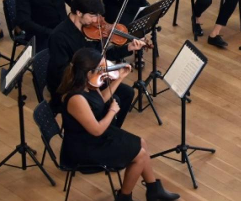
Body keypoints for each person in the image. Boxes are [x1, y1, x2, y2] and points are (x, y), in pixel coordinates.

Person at [59, 48, 180, 201]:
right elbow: (96, 130)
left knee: (141, 142)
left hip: (96, 136)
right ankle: (124, 197)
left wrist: (120, 77)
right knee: (140, 155)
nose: (104, 72)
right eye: (100, 69)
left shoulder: (89, 86)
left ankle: (153, 189)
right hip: (84, 147)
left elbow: (99, 102)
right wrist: (112, 111)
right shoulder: (76, 99)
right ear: (88, 72)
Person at [46, 0, 145, 122]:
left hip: (93, 77)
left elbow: (102, 55)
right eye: (92, 16)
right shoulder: (59, 37)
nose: (96, 20)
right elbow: (61, 73)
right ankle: (96, 133)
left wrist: (128, 47)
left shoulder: (92, 30)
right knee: (113, 101)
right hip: (74, 86)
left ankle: (110, 131)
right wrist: (89, 77)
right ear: (79, 12)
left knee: (128, 93)